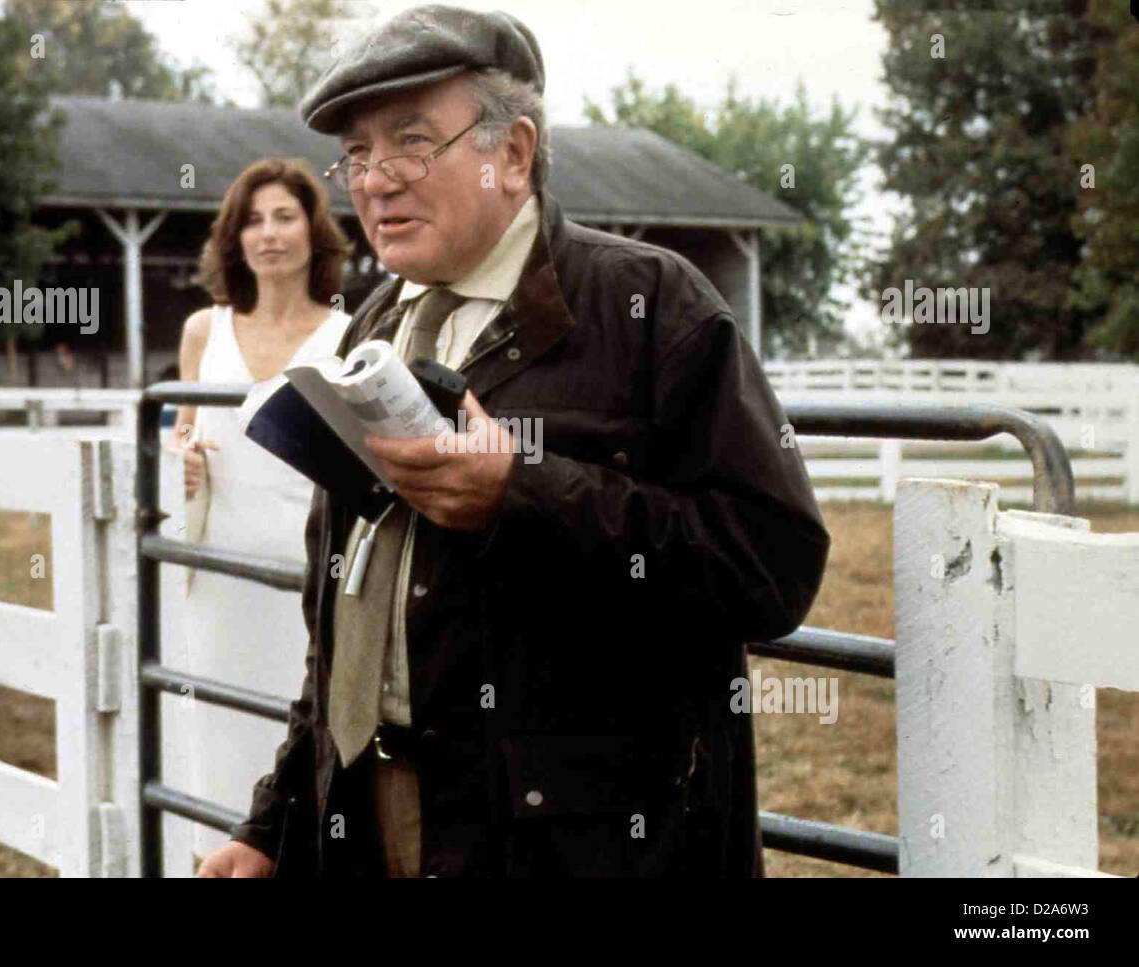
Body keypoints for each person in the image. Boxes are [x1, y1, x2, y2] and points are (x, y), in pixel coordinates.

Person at [200, 4, 830, 879]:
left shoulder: (648, 307)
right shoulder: (372, 330)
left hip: (576, 847)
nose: (375, 181)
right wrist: (272, 827)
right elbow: (342, 627)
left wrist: (523, 493)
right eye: (358, 154)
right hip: (373, 821)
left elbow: (773, 567)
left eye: (413, 142)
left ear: (514, 152)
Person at [169, 157, 352, 868]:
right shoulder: (202, 330)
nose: (268, 233)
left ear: (314, 230)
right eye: (252, 219)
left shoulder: (348, 335)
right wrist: (180, 457)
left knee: (303, 734)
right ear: (233, 237)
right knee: (217, 733)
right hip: (221, 576)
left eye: (284, 215)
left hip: (309, 571)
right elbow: (184, 430)